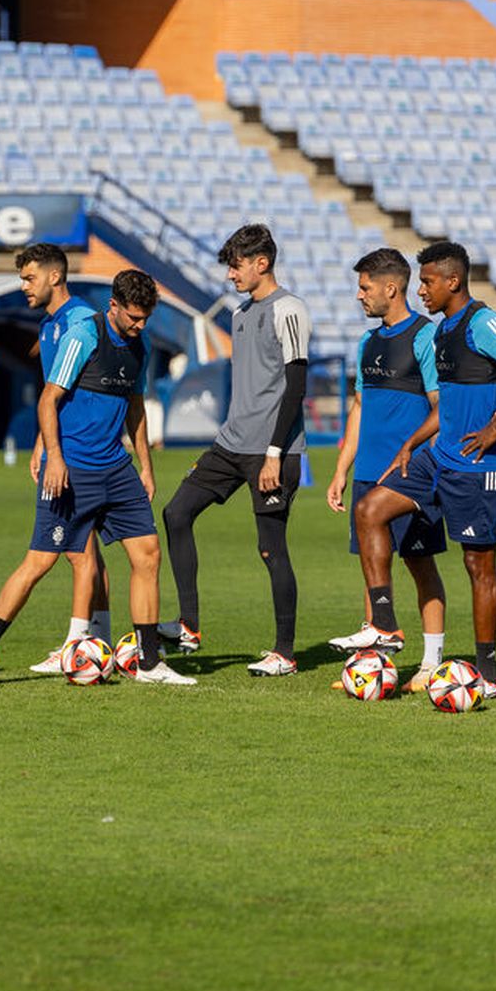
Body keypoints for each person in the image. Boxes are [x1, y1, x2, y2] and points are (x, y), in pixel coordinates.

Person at [0, 270, 190, 686]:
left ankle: (150, 663)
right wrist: (54, 458)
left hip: (116, 469)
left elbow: (135, 408)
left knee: (148, 555)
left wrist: (145, 465)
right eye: (134, 318)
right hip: (73, 470)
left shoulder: (141, 347)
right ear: (114, 306)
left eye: (146, 319)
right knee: (40, 562)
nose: (139, 326)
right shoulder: (84, 336)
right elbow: (49, 400)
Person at [354, 241, 496, 697]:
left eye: (426, 281)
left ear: (453, 282)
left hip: (480, 465)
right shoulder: (442, 331)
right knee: (369, 511)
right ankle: (384, 624)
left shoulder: (483, 322)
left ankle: (487, 673)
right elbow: (447, 408)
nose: (420, 290)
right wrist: (411, 443)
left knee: (477, 567)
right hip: (438, 457)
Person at [160, 224, 309, 677]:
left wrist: (274, 452)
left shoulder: (290, 309)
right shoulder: (240, 314)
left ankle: (284, 652)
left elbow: (296, 386)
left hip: (272, 452)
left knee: (271, 550)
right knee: (175, 512)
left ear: (262, 263)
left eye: (236, 265)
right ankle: (188, 626)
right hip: (229, 445)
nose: (230, 275)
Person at [326, 248, 448, 692]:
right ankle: (373, 663)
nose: (359, 296)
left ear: (390, 288)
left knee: (420, 563)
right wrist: (342, 469)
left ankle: (432, 661)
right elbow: (359, 406)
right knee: (372, 564)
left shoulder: (424, 336)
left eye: (364, 287)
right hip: (368, 474)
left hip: (410, 475)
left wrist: (427, 469)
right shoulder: (367, 342)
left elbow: (440, 409)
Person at [14, 244, 113, 673]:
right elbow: (55, 392)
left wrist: (56, 451)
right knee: (87, 550)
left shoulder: (81, 322)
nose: (23, 287)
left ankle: (80, 644)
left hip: (84, 453)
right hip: (64, 446)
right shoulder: (51, 326)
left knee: (78, 552)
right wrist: (42, 441)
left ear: (55, 276)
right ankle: (101, 642)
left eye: (29, 278)